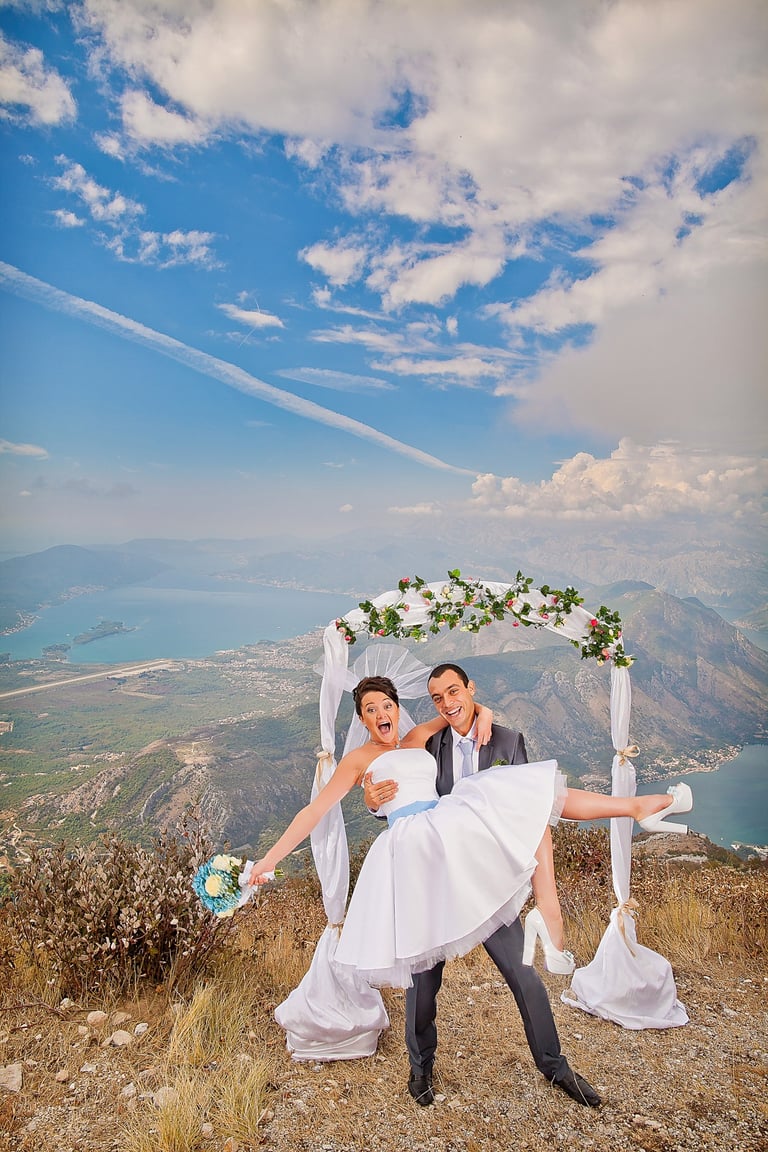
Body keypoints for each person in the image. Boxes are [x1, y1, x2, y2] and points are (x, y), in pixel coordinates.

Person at [248, 671, 691, 1109]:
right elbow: (315, 812)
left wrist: (486, 711)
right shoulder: (358, 760)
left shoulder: (418, 737)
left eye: (387, 705)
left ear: (397, 709)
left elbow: (460, 711)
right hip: (414, 867)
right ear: (362, 719)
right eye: (370, 709)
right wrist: (270, 860)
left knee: (524, 967)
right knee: (423, 986)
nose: (381, 713)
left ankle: (555, 1065)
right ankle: (421, 1068)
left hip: (459, 854)